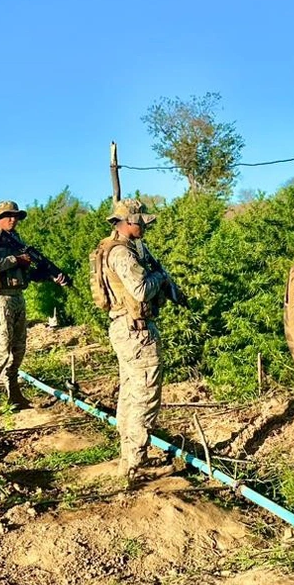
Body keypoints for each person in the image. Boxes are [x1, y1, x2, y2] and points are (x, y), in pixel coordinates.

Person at [92, 199, 183, 485]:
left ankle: (128, 458)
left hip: (125, 329)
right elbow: (141, 290)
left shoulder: (114, 248)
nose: (145, 226)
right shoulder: (122, 253)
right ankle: (135, 465)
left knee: (131, 394)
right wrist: (159, 276)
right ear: (129, 221)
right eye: (141, 221)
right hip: (137, 331)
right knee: (144, 395)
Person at [0, 200, 69, 417]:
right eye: (9, 215)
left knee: (18, 349)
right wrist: (16, 259)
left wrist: (49, 275)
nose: (13, 219)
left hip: (17, 297)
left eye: (16, 216)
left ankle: (13, 393)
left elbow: (25, 272)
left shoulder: (15, 239)